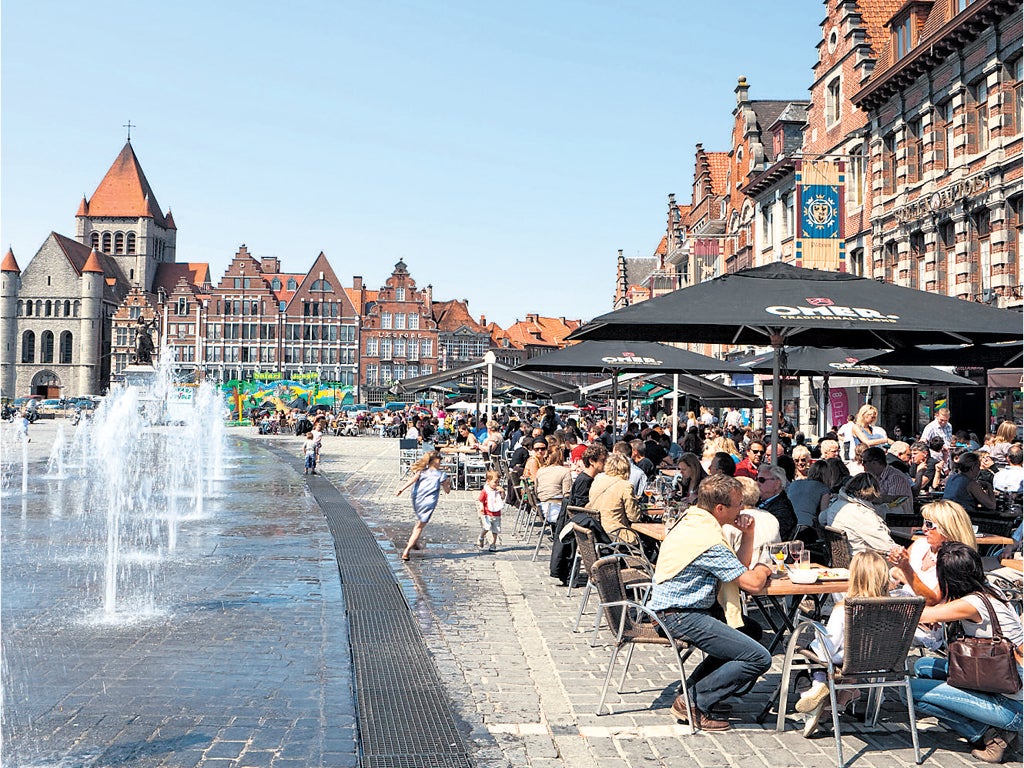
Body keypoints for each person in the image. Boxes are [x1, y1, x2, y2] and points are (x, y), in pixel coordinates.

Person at [649, 474, 774, 731]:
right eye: (738, 504)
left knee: (749, 630)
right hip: (679, 614)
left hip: (677, 608)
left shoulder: (694, 521)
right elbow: (752, 582)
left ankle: (694, 692)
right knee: (759, 658)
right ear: (720, 508)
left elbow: (736, 568)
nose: (743, 508)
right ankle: (694, 701)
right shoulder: (708, 541)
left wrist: (748, 534)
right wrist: (765, 566)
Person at [910, 542, 1023, 764]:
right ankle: (989, 725)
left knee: (909, 690)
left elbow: (923, 614)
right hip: (1001, 677)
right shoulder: (989, 589)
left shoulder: (972, 604)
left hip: (1013, 706)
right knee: (921, 666)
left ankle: (992, 736)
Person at [796, 551, 891, 737]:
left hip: (846, 660)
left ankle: (816, 692)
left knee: (804, 652)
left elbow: (827, 650)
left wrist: (816, 639)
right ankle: (838, 696)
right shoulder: (898, 605)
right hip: (880, 662)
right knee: (821, 651)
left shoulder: (845, 608)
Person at [888, 500, 977, 605]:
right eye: (924, 522)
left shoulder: (955, 559)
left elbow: (932, 600)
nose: (923, 528)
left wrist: (906, 571)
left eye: (929, 524)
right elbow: (894, 572)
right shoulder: (920, 544)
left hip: (929, 615)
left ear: (947, 528)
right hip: (903, 604)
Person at [395, 451, 452, 561]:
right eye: (440, 461)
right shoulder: (441, 475)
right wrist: (447, 483)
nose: (441, 463)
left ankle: (414, 542)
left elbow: (412, 480)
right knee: (419, 527)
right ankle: (407, 551)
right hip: (429, 502)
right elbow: (447, 491)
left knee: (419, 522)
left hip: (416, 499)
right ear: (436, 461)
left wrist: (401, 489)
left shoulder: (422, 471)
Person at [819, 472, 895, 555]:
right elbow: (888, 547)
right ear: (874, 492)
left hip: (842, 558)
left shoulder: (837, 505)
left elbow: (821, 518)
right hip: (863, 561)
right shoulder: (863, 514)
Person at [587, 453, 642, 545]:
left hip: (597, 531)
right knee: (647, 542)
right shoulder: (625, 486)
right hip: (616, 535)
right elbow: (633, 516)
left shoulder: (598, 479)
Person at [862, 446, 914, 517]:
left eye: (864, 462)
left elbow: (893, 506)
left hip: (898, 522)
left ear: (874, 462)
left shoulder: (895, 478)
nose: (862, 464)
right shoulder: (873, 477)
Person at [756, 464, 798, 540]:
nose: (757, 483)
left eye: (762, 480)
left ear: (777, 483)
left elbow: (771, 535)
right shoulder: (757, 501)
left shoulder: (783, 509)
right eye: (757, 479)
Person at [787, 460, 832, 530]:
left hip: (788, 523)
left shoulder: (794, 483)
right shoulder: (824, 489)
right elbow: (824, 516)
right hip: (806, 526)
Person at [534, 442, 571, 525]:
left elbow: (536, 491)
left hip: (542, 507)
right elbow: (567, 494)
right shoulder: (565, 471)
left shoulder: (540, 471)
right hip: (555, 510)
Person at [476, 469, 505, 551]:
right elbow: (481, 500)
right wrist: (481, 507)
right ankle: (481, 537)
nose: (497, 484)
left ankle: (493, 544)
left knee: (496, 530)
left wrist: (502, 492)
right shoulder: (485, 491)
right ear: (488, 481)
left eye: (498, 482)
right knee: (487, 527)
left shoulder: (497, 490)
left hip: (497, 514)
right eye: (495, 482)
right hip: (488, 513)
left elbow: (502, 498)